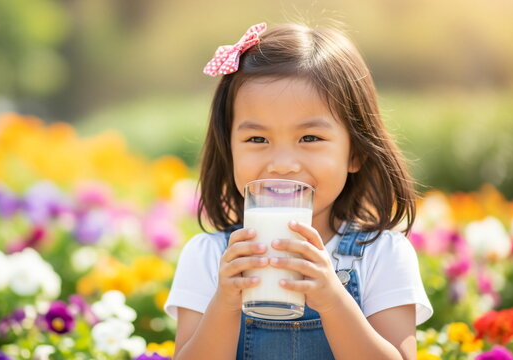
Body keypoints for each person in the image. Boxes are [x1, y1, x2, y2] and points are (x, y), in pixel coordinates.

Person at [164, 22, 434, 360]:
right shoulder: (207, 257)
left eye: (309, 138)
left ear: (355, 152)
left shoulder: (381, 255)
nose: (282, 164)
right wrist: (225, 302)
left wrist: (334, 301)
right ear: (228, 148)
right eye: (257, 139)